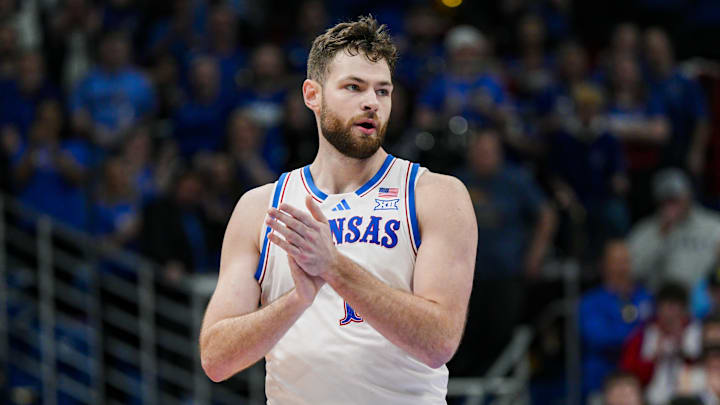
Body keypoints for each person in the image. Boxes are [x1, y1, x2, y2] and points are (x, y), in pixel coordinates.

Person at [199, 16, 477, 403]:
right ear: (312, 95)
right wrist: (296, 300)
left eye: (383, 91)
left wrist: (333, 267)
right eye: (354, 87)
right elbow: (215, 358)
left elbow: (439, 342)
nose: (371, 102)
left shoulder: (434, 195)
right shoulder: (261, 206)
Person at [450, 127, 554, 377]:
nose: (483, 156)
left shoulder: (516, 181)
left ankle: (497, 389)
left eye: (488, 151)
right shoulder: (456, 181)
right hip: (464, 278)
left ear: (499, 154)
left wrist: (535, 255)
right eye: (479, 150)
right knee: (461, 339)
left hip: (505, 275)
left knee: (499, 338)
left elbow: (547, 215)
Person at [579, 240, 653, 400]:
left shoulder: (645, 297)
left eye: (625, 261)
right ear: (604, 265)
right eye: (616, 262)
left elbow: (656, 332)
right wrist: (637, 336)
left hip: (640, 388)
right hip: (601, 385)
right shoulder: (591, 302)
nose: (622, 268)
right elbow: (598, 338)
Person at [628, 169, 720, 292]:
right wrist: (660, 235)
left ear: (689, 195)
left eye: (675, 199)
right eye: (666, 200)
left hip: (705, 303)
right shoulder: (644, 231)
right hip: (659, 304)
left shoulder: (713, 226)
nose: (671, 205)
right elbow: (632, 272)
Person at [621, 282, 703, 405]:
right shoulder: (644, 335)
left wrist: (681, 346)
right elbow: (630, 375)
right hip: (651, 399)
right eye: (666, 307)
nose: (670, 314)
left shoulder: (695, 331)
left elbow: (705, 368)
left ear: (684, 310)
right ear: (658, 308)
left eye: (675, 307)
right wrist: (654, 358)